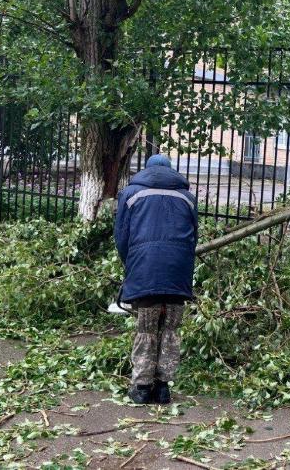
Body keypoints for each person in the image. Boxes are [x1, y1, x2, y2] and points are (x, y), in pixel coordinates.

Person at [114, 154, 198, 404]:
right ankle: (163, 388)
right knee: (170, 329)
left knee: (147, 329)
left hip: (145, 269)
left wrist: (131, 264)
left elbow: (121, 236)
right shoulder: (187, 197)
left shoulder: (131, 194)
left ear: (146, 170)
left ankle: (141, 388)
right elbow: (194, 237)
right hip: (177, 273)